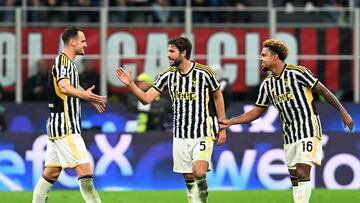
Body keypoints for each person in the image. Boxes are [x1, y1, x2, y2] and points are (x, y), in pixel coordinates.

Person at [219, 39, 354, 203]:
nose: (260, 59)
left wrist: (343, 112)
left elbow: (323, 91)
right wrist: (231, 122)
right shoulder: (267, 85)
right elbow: (256, 112)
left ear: (275, 57)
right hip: (290, 135)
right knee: (295, 176)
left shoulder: (298, 73)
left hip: (308, 129)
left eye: (263, 55)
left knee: (303, 171)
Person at [116, 36, 227, 203]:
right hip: (180, 134)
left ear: (183, 53)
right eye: (168, 51)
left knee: (199, 172)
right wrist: (131, 84)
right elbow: (146, 99)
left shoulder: (204, 73)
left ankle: (203, 198)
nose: (168, 55)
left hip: (202, 132)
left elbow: (218, 96)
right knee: (189, 178)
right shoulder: (167, 75)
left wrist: (222, 125)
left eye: (171, 51)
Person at [32, 27, 106, 203]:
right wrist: (85, 95)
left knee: (51, 173)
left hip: (57, 125)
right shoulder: (63, 63)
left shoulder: (68, 64)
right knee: (86, 172)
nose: (86, 44)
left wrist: (88, 98)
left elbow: (70, 87)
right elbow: (64, 87)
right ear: (72, 42)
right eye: (83, 41)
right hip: (65, 126)